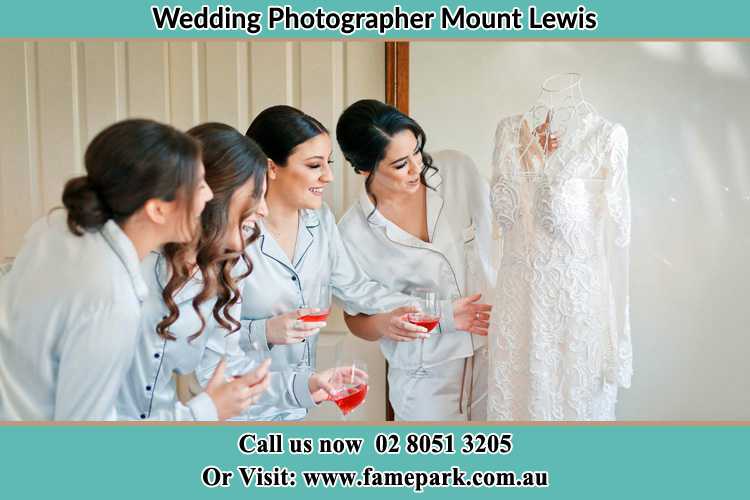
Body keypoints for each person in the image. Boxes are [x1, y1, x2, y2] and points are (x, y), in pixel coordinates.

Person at [196, 105, 420, 421]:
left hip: (297, 403)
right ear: (271, 167)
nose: (328, 176)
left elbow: (355, 287)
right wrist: (263, 331)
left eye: (327, 163)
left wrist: (430, 311)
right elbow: (207, 341)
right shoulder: (229, 236)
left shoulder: (321, 220)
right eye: (315, 165)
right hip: (237, 412)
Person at [0, 119, 210, 420]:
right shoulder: (111, 300)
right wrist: (203, 412)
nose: (209, 196)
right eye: (200, 185)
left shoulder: (56, 227)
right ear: (158, 209)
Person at [336, 99, 495, 421]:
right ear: (364, 167)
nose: (416, 168)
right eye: (399, 165)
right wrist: (384, 323)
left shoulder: (457, 171)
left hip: (490, 353)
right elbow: (356, 320)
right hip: (423, 374)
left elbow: (512, 223)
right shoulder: (351, 233)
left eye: (417, 152)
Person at [116, 123, 272, 421]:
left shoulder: (223, 269)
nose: (263, 209)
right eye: (256, 195)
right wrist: (203, 414)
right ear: (212, 194)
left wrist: (301, 386)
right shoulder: (131, 264)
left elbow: (221, 368)